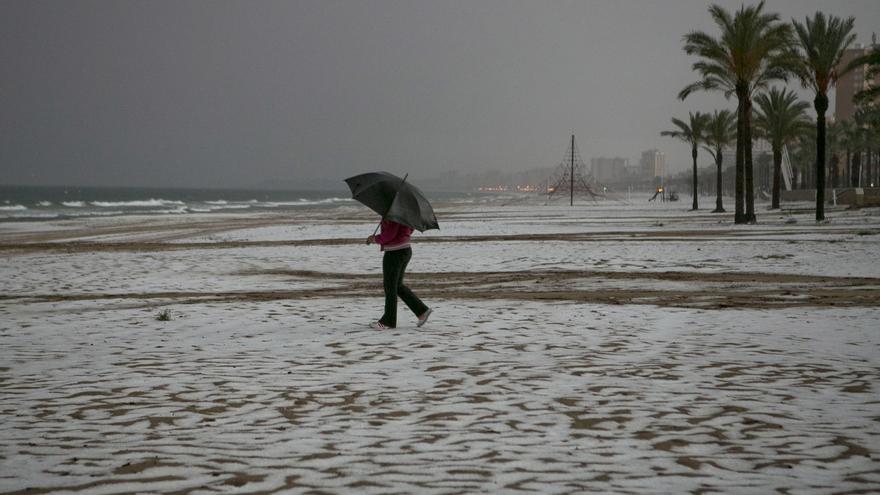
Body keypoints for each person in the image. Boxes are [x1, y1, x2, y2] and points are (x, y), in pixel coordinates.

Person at [366, 219, 432, 330]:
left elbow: (390, 235)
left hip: (395, 252)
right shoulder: (404, 214)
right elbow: (410, 229)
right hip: (405, 250)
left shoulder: (392, 216)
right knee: (397, 286)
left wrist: (374, 239)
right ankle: (422, 311)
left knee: (390, 287)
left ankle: (388, 322)